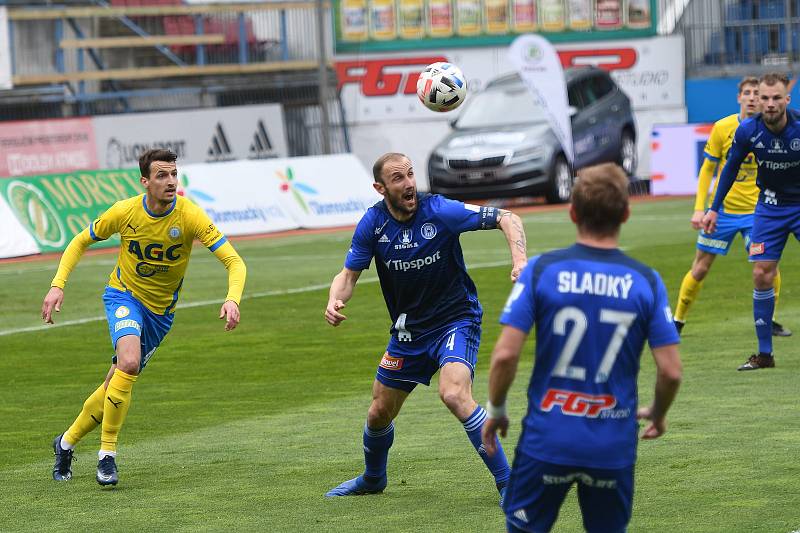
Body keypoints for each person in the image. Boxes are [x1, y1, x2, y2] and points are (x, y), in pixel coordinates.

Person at [482, 163, 682, 532]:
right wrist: (657, 411)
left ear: (572, 213)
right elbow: (671, 371)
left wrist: (496, 409)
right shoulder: (646, 281)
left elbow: (505, 355)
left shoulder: (540, 270)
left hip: (548, 437)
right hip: (612, 441)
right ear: (625, 213)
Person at [324, 152, 528, 502]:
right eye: (398, 178)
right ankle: (373, 479)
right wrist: (335, 299)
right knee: (377, 413)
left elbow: (507, 217)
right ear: (380, 187)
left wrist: (520, 260)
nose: (409, 184)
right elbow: (348, 276)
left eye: (410, 175)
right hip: (408, 333)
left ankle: (510, 482)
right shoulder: (372, 225)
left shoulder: (440, 211)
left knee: (453, 393)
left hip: (456, 320)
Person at [43, 148, 246, 486]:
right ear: (145, 181)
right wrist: (57, 285)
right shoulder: (125, 212)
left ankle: (65, 443)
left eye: (173, 175)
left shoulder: (190, 216)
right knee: (130, 363)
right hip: (123, 296)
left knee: (115, 382)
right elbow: (80, 241)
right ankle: (107, 457)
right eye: (162, 176)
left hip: (160, 314)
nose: (170, 182)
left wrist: (233, 299)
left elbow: (234, 261)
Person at [674, 76, 790, 337]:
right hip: (723, 212)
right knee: (700, 268)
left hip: (758, 213)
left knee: (768, 266)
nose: (751, 97)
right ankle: (678, 320)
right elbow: (708, 169)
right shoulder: (723, 127)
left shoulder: (775, 129)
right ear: (739, 97)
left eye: (755, 93)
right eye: (746, 92)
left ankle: (769, 320)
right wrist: (699, 207)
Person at [702, 72, 800, 370]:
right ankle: (765, 355)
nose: (769, 104)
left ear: (787, 99)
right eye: (764, 98)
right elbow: (729, 170)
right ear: (757, 99)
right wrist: (713, 208)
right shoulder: (747, 130)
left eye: (775, 98)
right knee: (761, 273)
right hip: (769, 208)